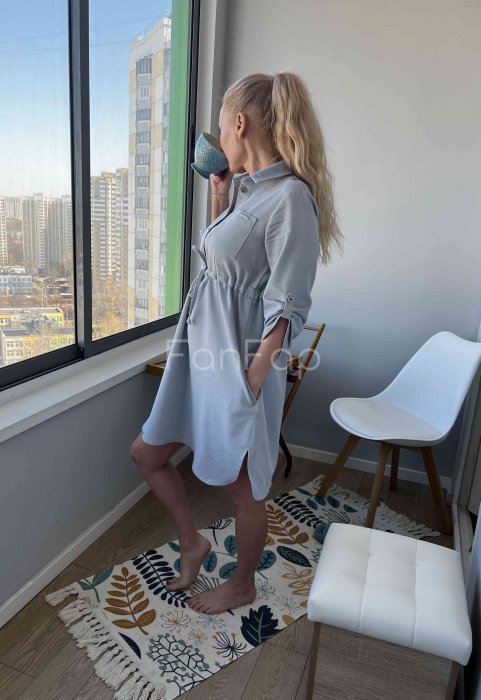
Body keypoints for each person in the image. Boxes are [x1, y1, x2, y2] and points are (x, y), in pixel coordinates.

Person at [130, 72, 343, 615]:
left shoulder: (291, 197)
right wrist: (220, 197)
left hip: (237, 362)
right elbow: (220, 263)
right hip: (199, 354)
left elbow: (288, 301)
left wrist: (252, 379)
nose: (219, 135)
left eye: (222, 125)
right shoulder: (249, 189)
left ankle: (243, 585)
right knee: (148, 454)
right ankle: (193, 543)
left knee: (244, 488)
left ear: (240, 124)